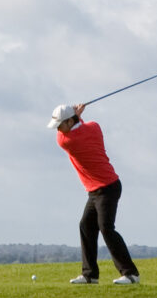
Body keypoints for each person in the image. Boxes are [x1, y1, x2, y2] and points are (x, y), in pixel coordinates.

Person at [52, 103, 139, 285]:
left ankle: (131, 274)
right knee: (86, 226)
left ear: (69, 121)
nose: (59, 129)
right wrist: (78, 117)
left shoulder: (66, 141)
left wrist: (76, 116)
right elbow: (82, 127)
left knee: (106, 227)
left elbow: (64, 135)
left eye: (60, 124)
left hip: (107, 187)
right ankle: (90, 275)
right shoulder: (94, 127)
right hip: (96, 189)